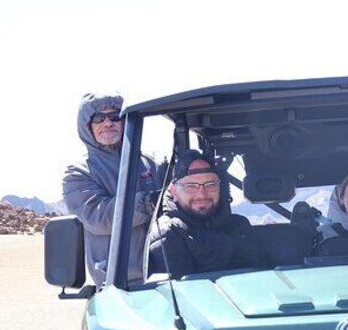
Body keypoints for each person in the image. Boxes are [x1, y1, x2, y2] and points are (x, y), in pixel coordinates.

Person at [63, 93, 159, 285]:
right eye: (99, 118)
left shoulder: (152, 165)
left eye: (115, 117)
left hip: (165, 275)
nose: (108, 123)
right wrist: (148, 203)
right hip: (119, 282)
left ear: (125, 121)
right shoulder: (78, 173)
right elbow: (98, 217)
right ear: (87, 125)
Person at [147, 150, 259, 278]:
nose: (202, 194)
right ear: (174, 192)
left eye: (210, 185)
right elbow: (181, 288)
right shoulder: (168, 231)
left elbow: (256, 277)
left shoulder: (238, 226)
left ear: (220, 188)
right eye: (190, 186)